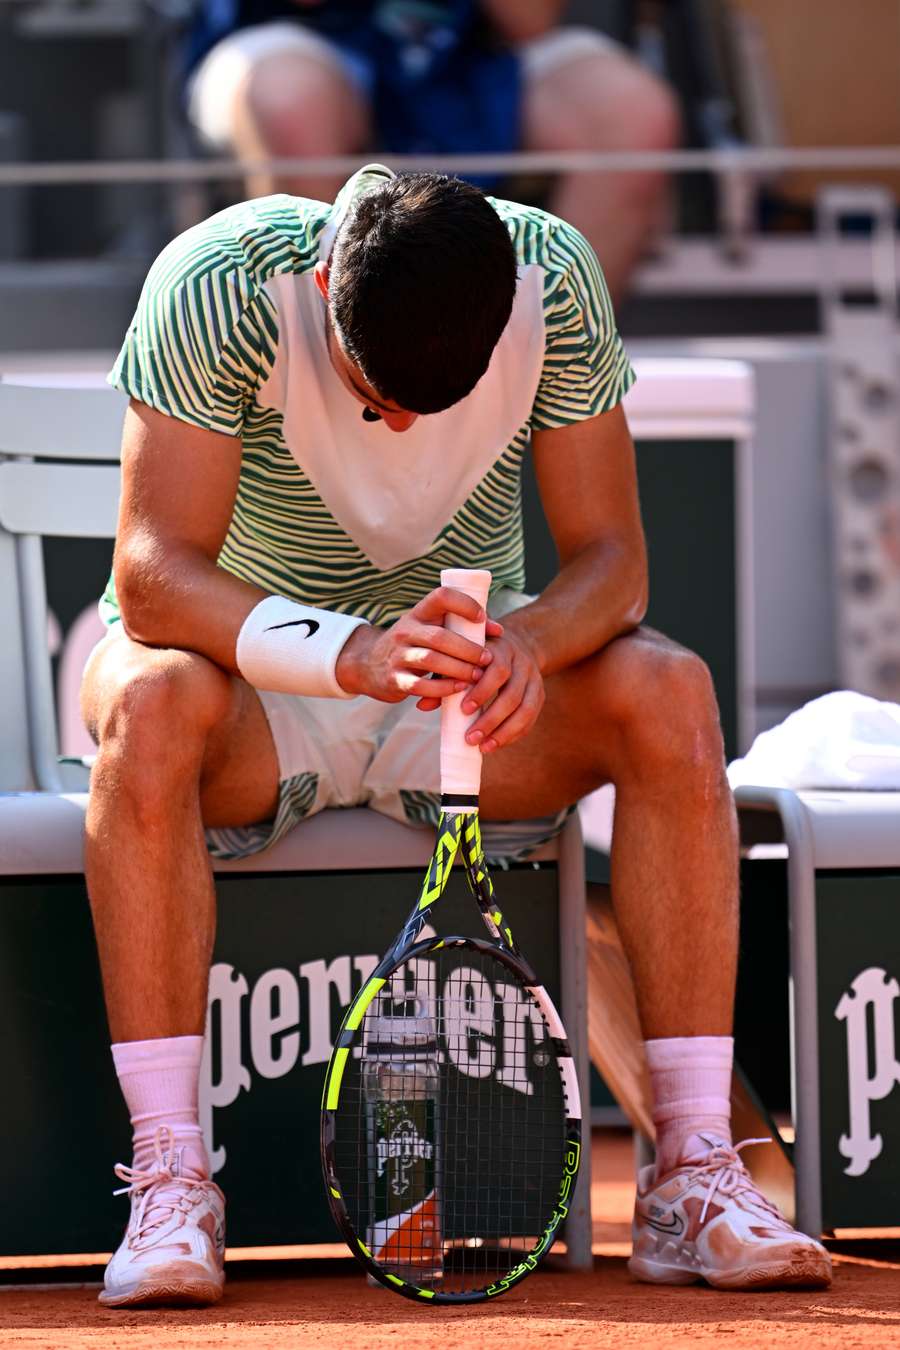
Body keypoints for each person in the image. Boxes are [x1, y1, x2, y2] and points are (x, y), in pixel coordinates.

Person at [82, 164, 831, 1308]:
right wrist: (347, 650)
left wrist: (528, 642)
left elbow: (613, 566)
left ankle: (690, 1174)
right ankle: (173, 1184)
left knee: (670, 690)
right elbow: (151, 580)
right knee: (146, 700)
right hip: (248, 694)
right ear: (323, 281)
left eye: (434, 400)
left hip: (456, 709)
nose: (398, 425)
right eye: (374, 393)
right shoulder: (216, 281)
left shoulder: (559, 278)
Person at [184, 0, 679, 303]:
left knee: (633, 114)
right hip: (299, 44)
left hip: (466, 63)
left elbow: (530, 18)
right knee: (291, 102)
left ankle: (546, 369)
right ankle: (324, 361)